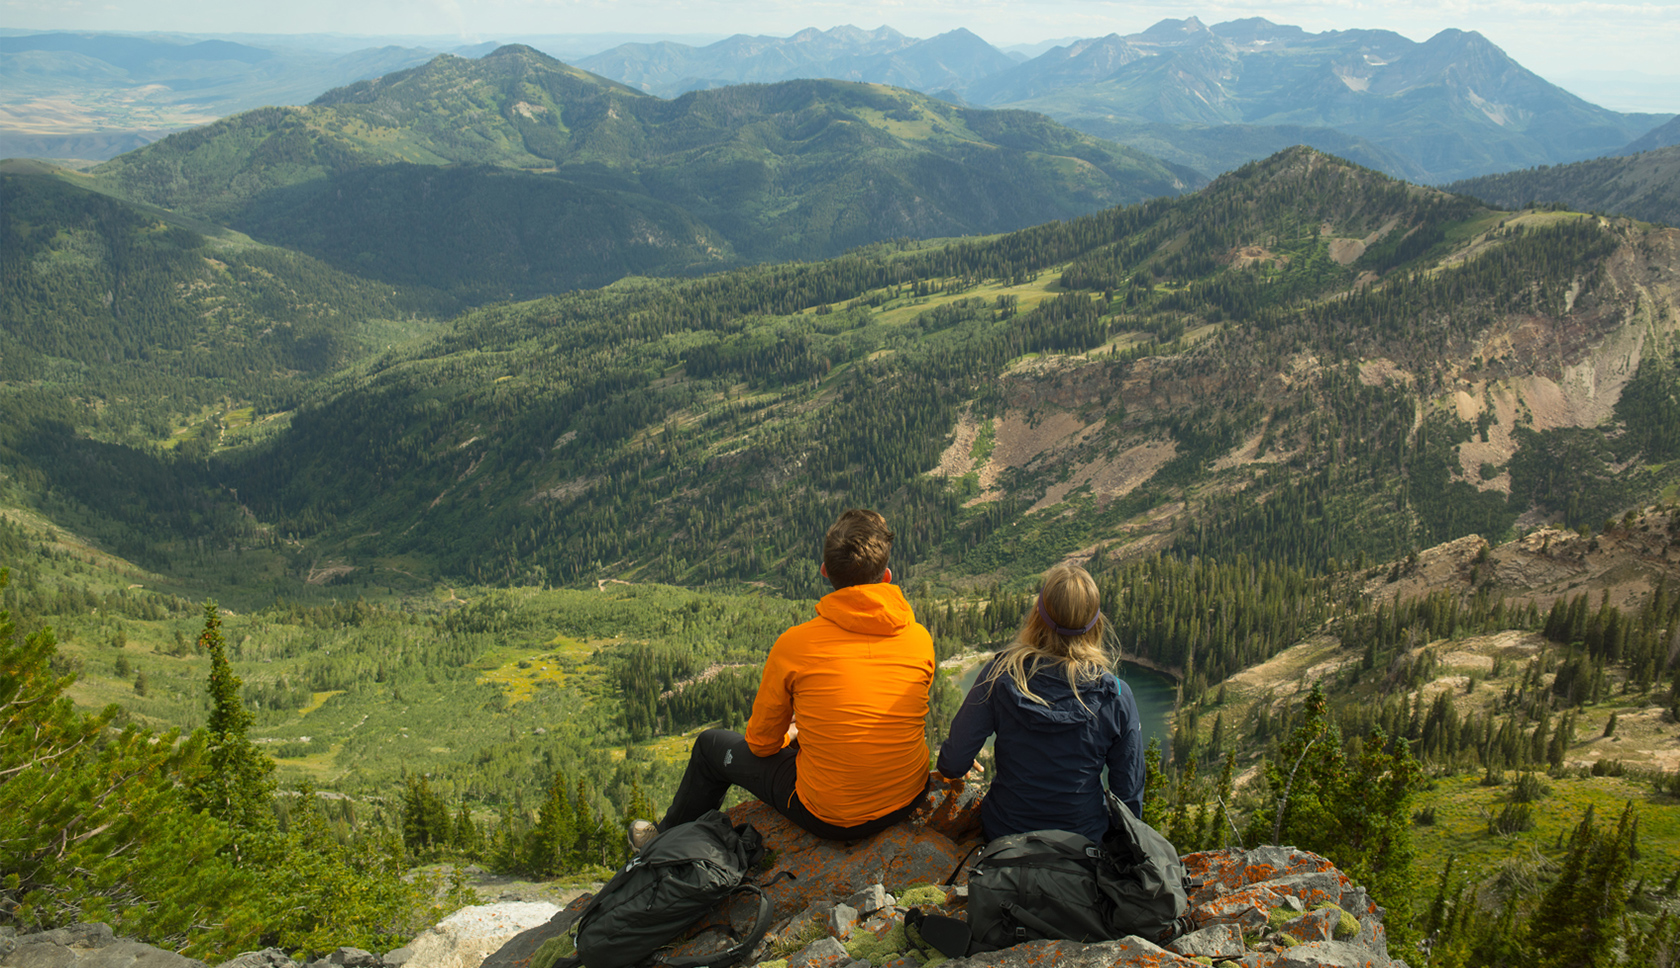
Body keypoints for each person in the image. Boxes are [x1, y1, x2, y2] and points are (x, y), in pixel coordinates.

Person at [633, 508, 935, 846]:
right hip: (908, 798)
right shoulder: (919, 638)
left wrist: (792, 732)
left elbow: (761, 745)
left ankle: (661, 844)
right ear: (887, 576)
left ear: (825, 572)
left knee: (709, 746)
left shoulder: (796, 644)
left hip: (832, 817)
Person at [935, 563, 1144, 844]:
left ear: (1038, 615)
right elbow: (1128, 797)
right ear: (1096, 624)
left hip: (1005, 837)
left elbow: (951, 764)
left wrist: (963, 750)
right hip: (1082, 843)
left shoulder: (999, 675)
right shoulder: (1115, 696)